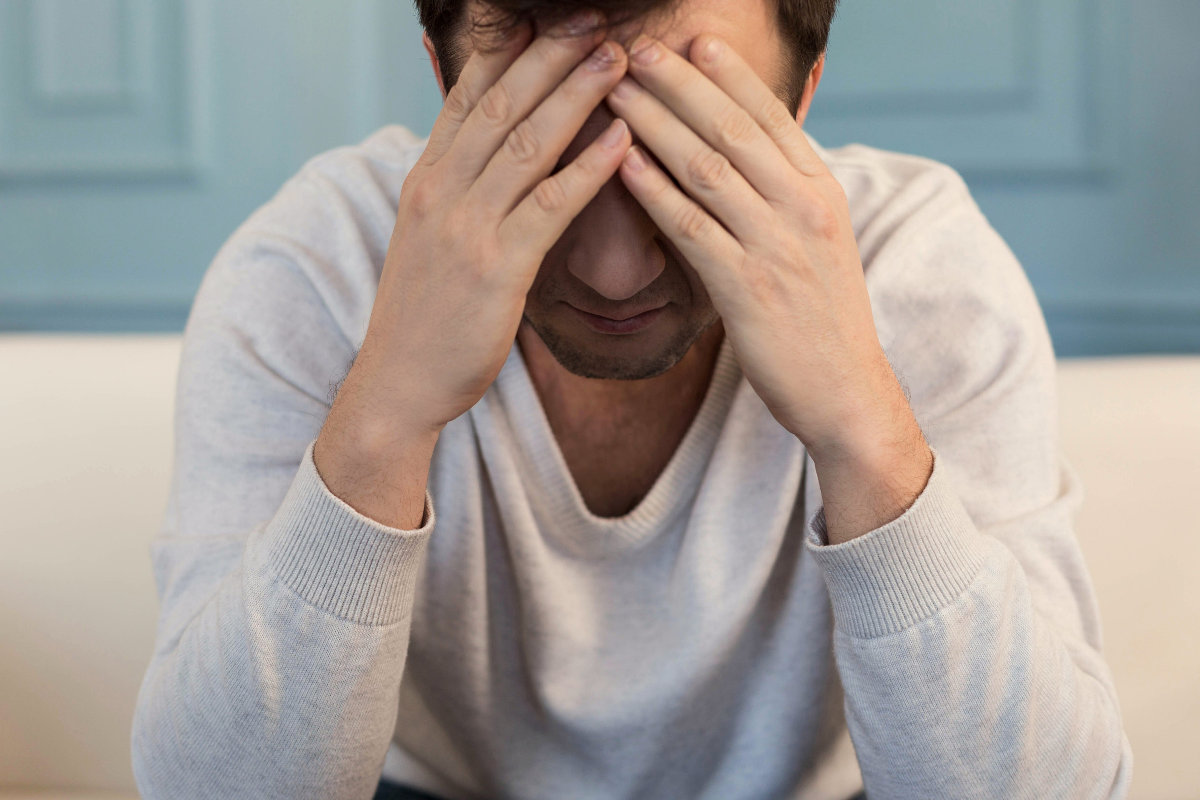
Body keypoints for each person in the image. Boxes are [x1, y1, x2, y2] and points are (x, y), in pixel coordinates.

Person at [130, 0, 1135, 797]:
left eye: (693, 154)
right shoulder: (314, 266)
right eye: (551, 150)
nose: (617, 275)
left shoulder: (920, 270)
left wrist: (862, 428)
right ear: (445, 84)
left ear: (804, 97)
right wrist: (387, 409)